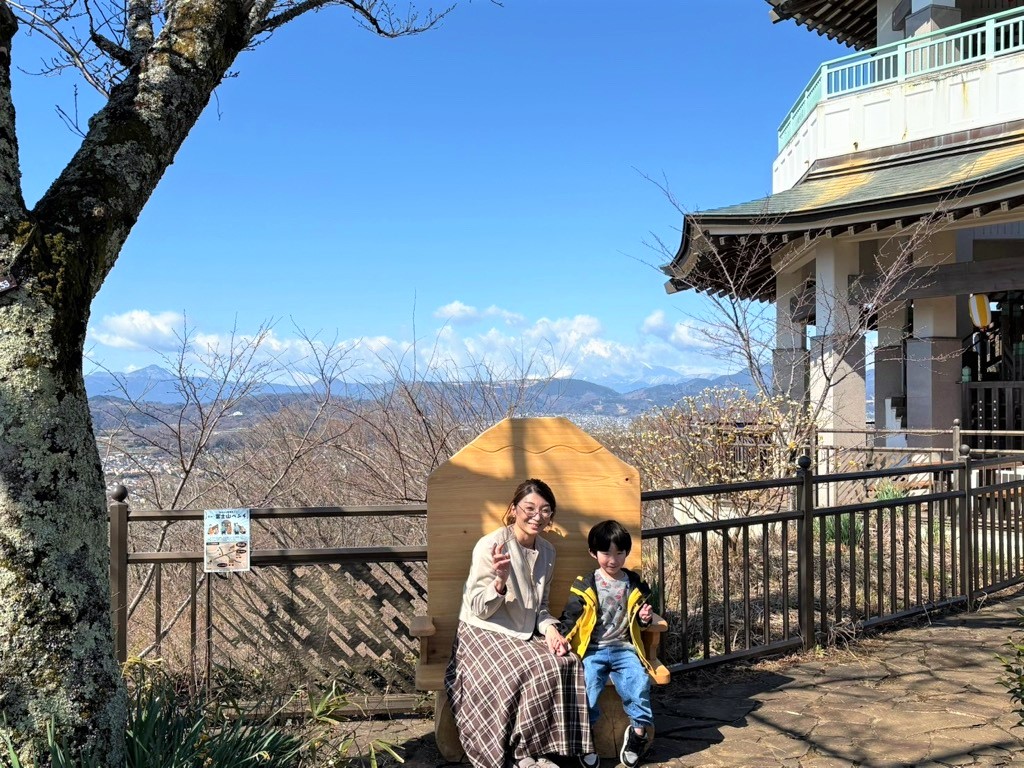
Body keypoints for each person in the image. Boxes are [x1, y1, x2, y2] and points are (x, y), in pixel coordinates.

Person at [445, 478, 593, 768]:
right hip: (483, 631)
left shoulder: (548, 552)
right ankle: (519, 755)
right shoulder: (491, 545)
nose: (537, 517)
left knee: (566, 661)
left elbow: (541, 606)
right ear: (514, 509)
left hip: (525, 630)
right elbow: (478, 607)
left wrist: (550, 629)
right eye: (530, 508)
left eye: (546, 510)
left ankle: (545, 749)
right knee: (527, 668)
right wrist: (499, 582)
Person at [560, 520, 655, 768]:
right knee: (587, 687)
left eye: (619, 553)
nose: (612, 560)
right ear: (593, 553)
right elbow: (570, 616)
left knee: (639, 682)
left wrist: (645, 620)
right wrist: (561, 638)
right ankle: (585, 740)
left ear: (626, 552)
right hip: (593, 650)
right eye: (606, 553)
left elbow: (642, 619)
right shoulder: (586, 585)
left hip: (625, 649)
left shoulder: (635, 584)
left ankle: (637, 734)